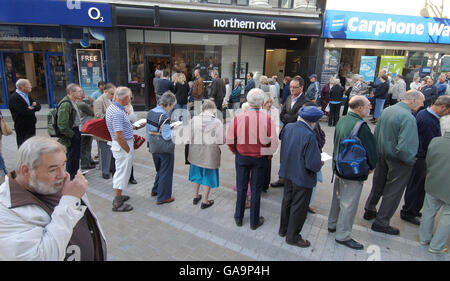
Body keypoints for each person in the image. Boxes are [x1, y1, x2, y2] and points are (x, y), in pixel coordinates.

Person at [0, 136, 107, 260]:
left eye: (63, 165)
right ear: (26, 171)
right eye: (53, 169)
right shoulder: (5, 210)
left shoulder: (56, 185)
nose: (63, 174)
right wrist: (69, 201)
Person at [363, 90, 425, 235]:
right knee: (393, 191)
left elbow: (376, 133)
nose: (422, 105)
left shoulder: (387, 110)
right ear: (413, 100)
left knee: (378, 184)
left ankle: (370, 209)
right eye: (422, 101)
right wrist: (410, 160)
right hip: (398, 160)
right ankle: (381, 222)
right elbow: (405, 147)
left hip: (382, 154)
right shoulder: (408, 118)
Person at [328, 96, 377, 250]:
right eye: (368, 105)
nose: (370, 107)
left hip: (340, 167)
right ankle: (343, 235)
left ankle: (332, 224)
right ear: (359, 108)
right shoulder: (361, 126)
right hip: (353, 171)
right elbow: (371, 151)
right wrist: (371, 166)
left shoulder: (343, 120)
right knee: (348, 204)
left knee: (337, 199)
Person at [226, 88, 278, 230]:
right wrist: (268, 154)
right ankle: (254, 221)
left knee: (242, 187)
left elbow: (229, 139)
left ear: (247, 101)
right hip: (259, 158)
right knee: (256, 189)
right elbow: (274, 142)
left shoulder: (238, 117)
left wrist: (235, 151)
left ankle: (239, 216)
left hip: (242, 156)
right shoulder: (267, 118)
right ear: (261, 103)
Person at [400, 95, 450, 225]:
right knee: (416, 186)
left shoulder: (424, 114)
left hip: (421, 156)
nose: (447, 114)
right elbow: (430, 144)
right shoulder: (428, 120)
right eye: (448, 111)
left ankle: (413, 209)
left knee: (418, 186)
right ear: (443, 107)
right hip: (421, 157)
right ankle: (409, 211)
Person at [278, 106, 323, 248]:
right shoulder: (310, 135)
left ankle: (283, 229)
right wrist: (320, 163)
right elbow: (312, 164)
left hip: (288, 171)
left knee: (287, 201)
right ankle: (293, 236)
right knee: (299, 207)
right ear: (313, 121)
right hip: (302, 176)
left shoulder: (289, 127)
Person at [271, 77, 310, 188]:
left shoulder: (306, 102)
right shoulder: (288, 98)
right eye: (290, 87)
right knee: (283, 156)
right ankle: (282, 178)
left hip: (297, 135)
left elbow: (299, 117)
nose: (291, 89)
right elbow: (282, 115)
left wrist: (288, 117)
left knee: (294, 157)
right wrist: (289, 117)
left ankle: (292, 180)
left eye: (295, 87)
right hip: (286, 132)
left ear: (301, 88)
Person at [419, 116, 450, 254]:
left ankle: (424, 238)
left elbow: (428, 160)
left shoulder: (435, 141)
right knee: (447, 216)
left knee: (428, 211)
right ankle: (436, 246)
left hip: (433, 181)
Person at [105, 87, 138, 212]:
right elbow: (118, 135)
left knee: (122, 171)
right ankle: (117, 202)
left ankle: (119, 196)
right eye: (130, 97)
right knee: (122, 173)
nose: (130, 99)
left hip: (121, 145)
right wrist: (128, 149)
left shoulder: (115, 108)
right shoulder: (117, 112)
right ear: (124, 97)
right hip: (122, 146)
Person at [188, 100, 224, 209]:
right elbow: (221, 141)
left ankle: (195, 196)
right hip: (210, 155)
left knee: (197, 174)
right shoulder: (217, 122)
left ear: (203, 109)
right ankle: (205, 201)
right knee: (208, 176)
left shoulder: (194, 119)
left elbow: (188, 136)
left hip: (195, 153)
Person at [147, 91, 178, 205]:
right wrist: (174, 130)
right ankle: (163, 196)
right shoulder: (164, 116)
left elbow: (148, 130)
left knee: (160, 169)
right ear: (168, 104)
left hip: (154, 145)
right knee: (166, 171)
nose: (172, 108)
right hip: (164, 148)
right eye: (172, 106)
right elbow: (166, 135)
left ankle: (156, 190)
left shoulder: (151, 112)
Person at [57, 83, 83, 180]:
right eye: (79, 91)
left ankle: (75, 174)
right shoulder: (66, 104)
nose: (81, 93)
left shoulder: (73, 102)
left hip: (75, 130)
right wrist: (72, 135)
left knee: (76, 155)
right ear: (71, 92)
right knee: (72, 155)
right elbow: (62, 125)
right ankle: (71, 176)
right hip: (71, 132)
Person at [8, 79, 41, 147]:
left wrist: (32, 107)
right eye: (29, 85)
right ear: (22, 87)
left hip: (31, 125)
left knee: (31, 145)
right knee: (23, 145)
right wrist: (33, 107)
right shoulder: (15, 98)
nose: (31, 86)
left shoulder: (27, 95)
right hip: (22, 126)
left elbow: (38, 106)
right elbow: (25, 111)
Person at [94, 83, 116, 179]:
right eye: (111, 93)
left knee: (111, 151)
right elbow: (98, 115)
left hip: (111, 130)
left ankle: (110, 168)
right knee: (105, 152)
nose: (113, 95)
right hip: (103, 131)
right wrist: (112, 117)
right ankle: (105, 171)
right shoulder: (99, 101)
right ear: (105, 92)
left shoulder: (111, 100)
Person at [76, 90, 96, 170]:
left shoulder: (77, 103)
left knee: (86, 145)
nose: (84, 94)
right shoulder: (82, 104)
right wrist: (92, 103)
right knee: (86, 146)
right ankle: (85, 163)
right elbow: (93, 112)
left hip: (83, 127)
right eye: (82, 93)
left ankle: (89, 160)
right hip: (85, 127)